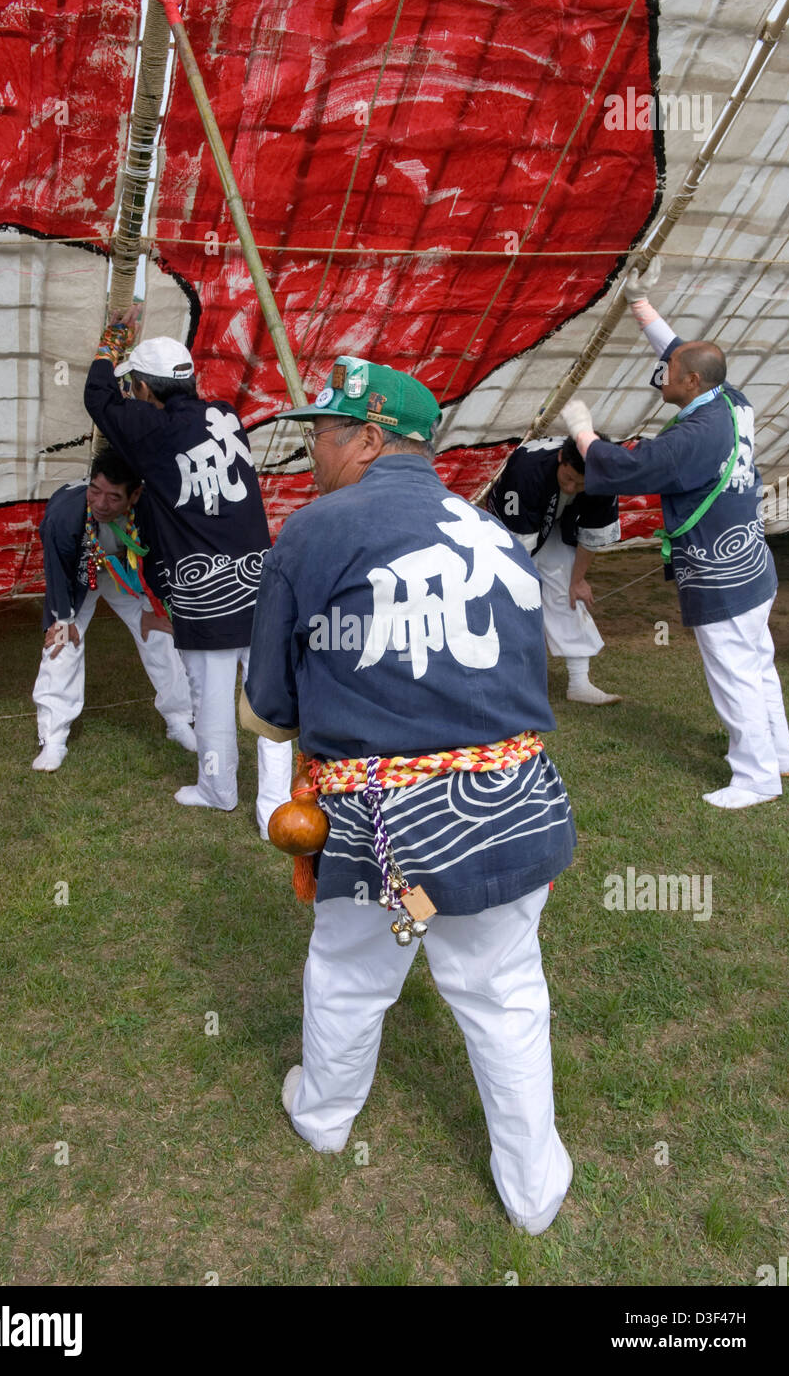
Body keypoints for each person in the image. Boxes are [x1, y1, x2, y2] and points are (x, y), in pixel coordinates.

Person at [241, 355, 576, 1235]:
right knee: (502, 991)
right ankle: (534, 1189)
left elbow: (270, 704)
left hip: (395, 838)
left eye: (322, 430)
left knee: (355, 972)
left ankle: (322, 1117)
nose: (310, 447)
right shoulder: (494, 532)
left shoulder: (315, 532)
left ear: (369, 438)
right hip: (509, 814)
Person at [562, 257, 789, 808]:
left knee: (734, 672)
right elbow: (684, 353)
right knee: (758, 663)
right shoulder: (732, 402)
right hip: (752, 565)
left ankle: (755, 776)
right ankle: (779, 755)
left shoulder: (694, 435)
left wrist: (583, 433)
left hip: (721, 573)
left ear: (691, 383)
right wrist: (643, 309)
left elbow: (630, 467)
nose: (661, 374)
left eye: (667, 374)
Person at [83, 312, 291, 833]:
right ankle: (275, 811)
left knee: (213, 698)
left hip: (207, 593)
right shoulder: (226, 415)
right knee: (270, 700)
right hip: (260, 580)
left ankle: (219, 790)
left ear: (146, 390)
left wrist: (112, 339)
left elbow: (97, 397)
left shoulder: (151, 428)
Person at [32, 447, 195, 772]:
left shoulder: (152, 508)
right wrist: (63, 619)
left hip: (127, 571)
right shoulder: (64, 516)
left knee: (159, 635)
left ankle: (179, 720)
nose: (101, 503)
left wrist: (155, 606)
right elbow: (57, 570)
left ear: (135, 494)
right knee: (63, 644)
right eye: (95, 491)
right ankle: (53, 737)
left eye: (113, 497)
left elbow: (159, 558)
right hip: (80, 573)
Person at [488, 435, 621, 703]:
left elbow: (591, 533)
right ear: (561, 458)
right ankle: (501, 675)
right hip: (511, 528)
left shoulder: (605, 476)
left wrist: (578, 580)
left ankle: (580, 683)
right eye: (568, 478)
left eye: (581, 484)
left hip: (559, 524)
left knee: (566, 592)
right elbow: (518, 547)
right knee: (507, 597)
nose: (572, 487)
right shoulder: (525, 470)